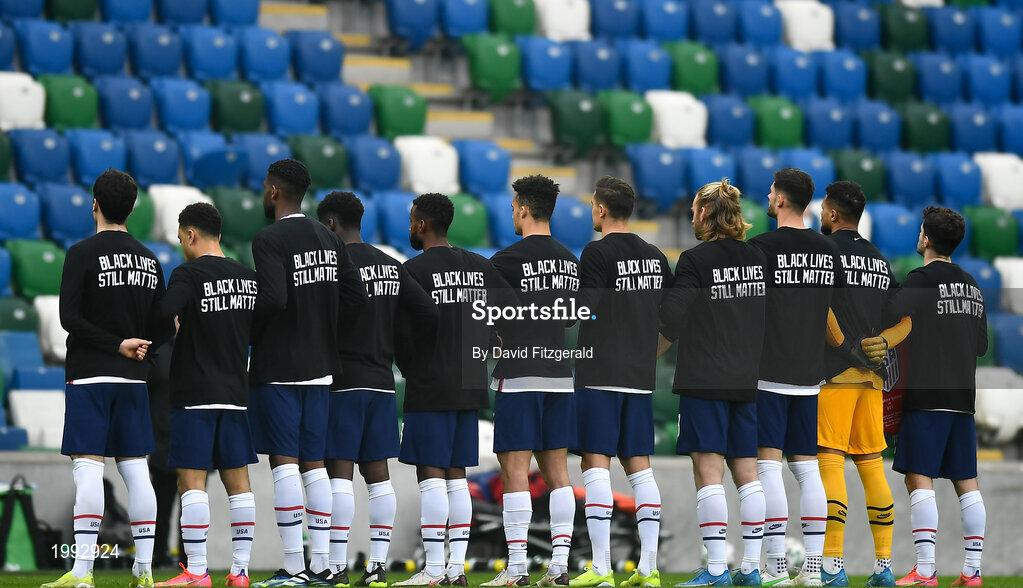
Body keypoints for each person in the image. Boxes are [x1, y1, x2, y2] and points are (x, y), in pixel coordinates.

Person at [46, 169, 172, 588]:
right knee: (137, 473)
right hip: (134, 382)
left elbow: (69, 319)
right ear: (133, 208)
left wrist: (117, 344)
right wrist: (142, 350)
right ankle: (145, 572)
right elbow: (165, 325)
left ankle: (82, 573)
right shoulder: (151, 260)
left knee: (87, 470)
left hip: (89, 378)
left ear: (94, 204)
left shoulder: (81, 253)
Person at [247, 160, 368, 588]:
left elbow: (274, 299)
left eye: (266, 188)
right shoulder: (328, 238)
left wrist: (247, 329)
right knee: (314, 466)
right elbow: (356, 295)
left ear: (275, 192)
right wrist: (324, 326)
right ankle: (321, 566)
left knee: (284, 465)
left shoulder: (268, 239)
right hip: (321, 367)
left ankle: (294, 566)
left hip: (280, 365)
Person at [316, 192, 439, 588]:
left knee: (338, 474)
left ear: (331, 224)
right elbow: (428, 313)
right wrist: (396, 345)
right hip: (383, 384)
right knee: (378, 478)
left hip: (343, 383)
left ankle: (335, 566)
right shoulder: (390, 265)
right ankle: (377, 568)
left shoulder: (334, 266)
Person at [395, 193, 514, 587]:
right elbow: (512, 313)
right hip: (469, 382)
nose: (410, 226)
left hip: (429, 382)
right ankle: (455, 570)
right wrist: (490, 344)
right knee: (456, 476)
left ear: (423, 225)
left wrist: (410, 366)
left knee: (431, 475)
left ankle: (432, 571)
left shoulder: (411, 270)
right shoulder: (479, 267)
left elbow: (400, 333)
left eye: (413, 220)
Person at [658, 180, 769, 587]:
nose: (691, 217)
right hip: (746, 379)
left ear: (704, 213)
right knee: (748, 473)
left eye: (693, 210)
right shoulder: (758, 258)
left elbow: (673, 317)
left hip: (705, 377)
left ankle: (718, 570)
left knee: (708, 473)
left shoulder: (695, 260)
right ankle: (752, 569)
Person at [874, 207, 987, 588]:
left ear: (925, 238)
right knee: (966, 483)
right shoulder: (972, 284)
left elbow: (890, 312)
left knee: (918, 479)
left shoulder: (921, 279)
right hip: (963, 400)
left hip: (926, 396)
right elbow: (982, 345)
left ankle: (925, 570)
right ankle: (972, 572)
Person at [151, 203, 260, 588]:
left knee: (190, 482)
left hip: (195, 391)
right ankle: (241, 571)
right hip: (234, 392)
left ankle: (196, 571)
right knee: (239, 485)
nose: (182, 244)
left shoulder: (189, 273)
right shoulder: (248, 277)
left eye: (182, 238)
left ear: (191, 234)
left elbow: (163, 311)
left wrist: (174, 324)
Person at [571, 176, 671, 588]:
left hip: (600, 373)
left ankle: (601, 567)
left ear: (600, 209)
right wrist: (646, 354)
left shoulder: (596, 253)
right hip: (640, 377)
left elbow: (585, 311)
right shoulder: (656, 256)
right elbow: (672, 322)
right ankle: (648, 569)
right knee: (640, 469)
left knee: (595, 464)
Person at [482, 175, 580, 588]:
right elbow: (573, 318)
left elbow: (491, 322)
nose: (511, 212)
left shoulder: (504, 261)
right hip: (559, 374)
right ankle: (559, 565)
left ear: (523, 208)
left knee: (515, 470)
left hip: (519, 375)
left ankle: (518, 566)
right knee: (558, 473)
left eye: (512, 206)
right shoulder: (570, 261)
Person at [748, 168, 842, 587]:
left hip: (769, 370)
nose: (768, 197)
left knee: (768, 467)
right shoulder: (828, 250)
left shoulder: (761, 248)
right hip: (810, 376)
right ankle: (816, 570)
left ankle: (776, 567)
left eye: (771, 193)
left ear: (781, 200)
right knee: (807, 470)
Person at [816, 182, 905, 588]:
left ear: (833, 214)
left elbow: (823, 309)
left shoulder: (824, 252)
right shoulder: (879, 260)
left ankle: (832, 566)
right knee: (871, 466)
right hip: (872, 380)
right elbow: (906, 320)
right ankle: (884, 566)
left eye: (823, 210)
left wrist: (845, 348)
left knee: (830, 461)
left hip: (835, 375)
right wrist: (884, 344)